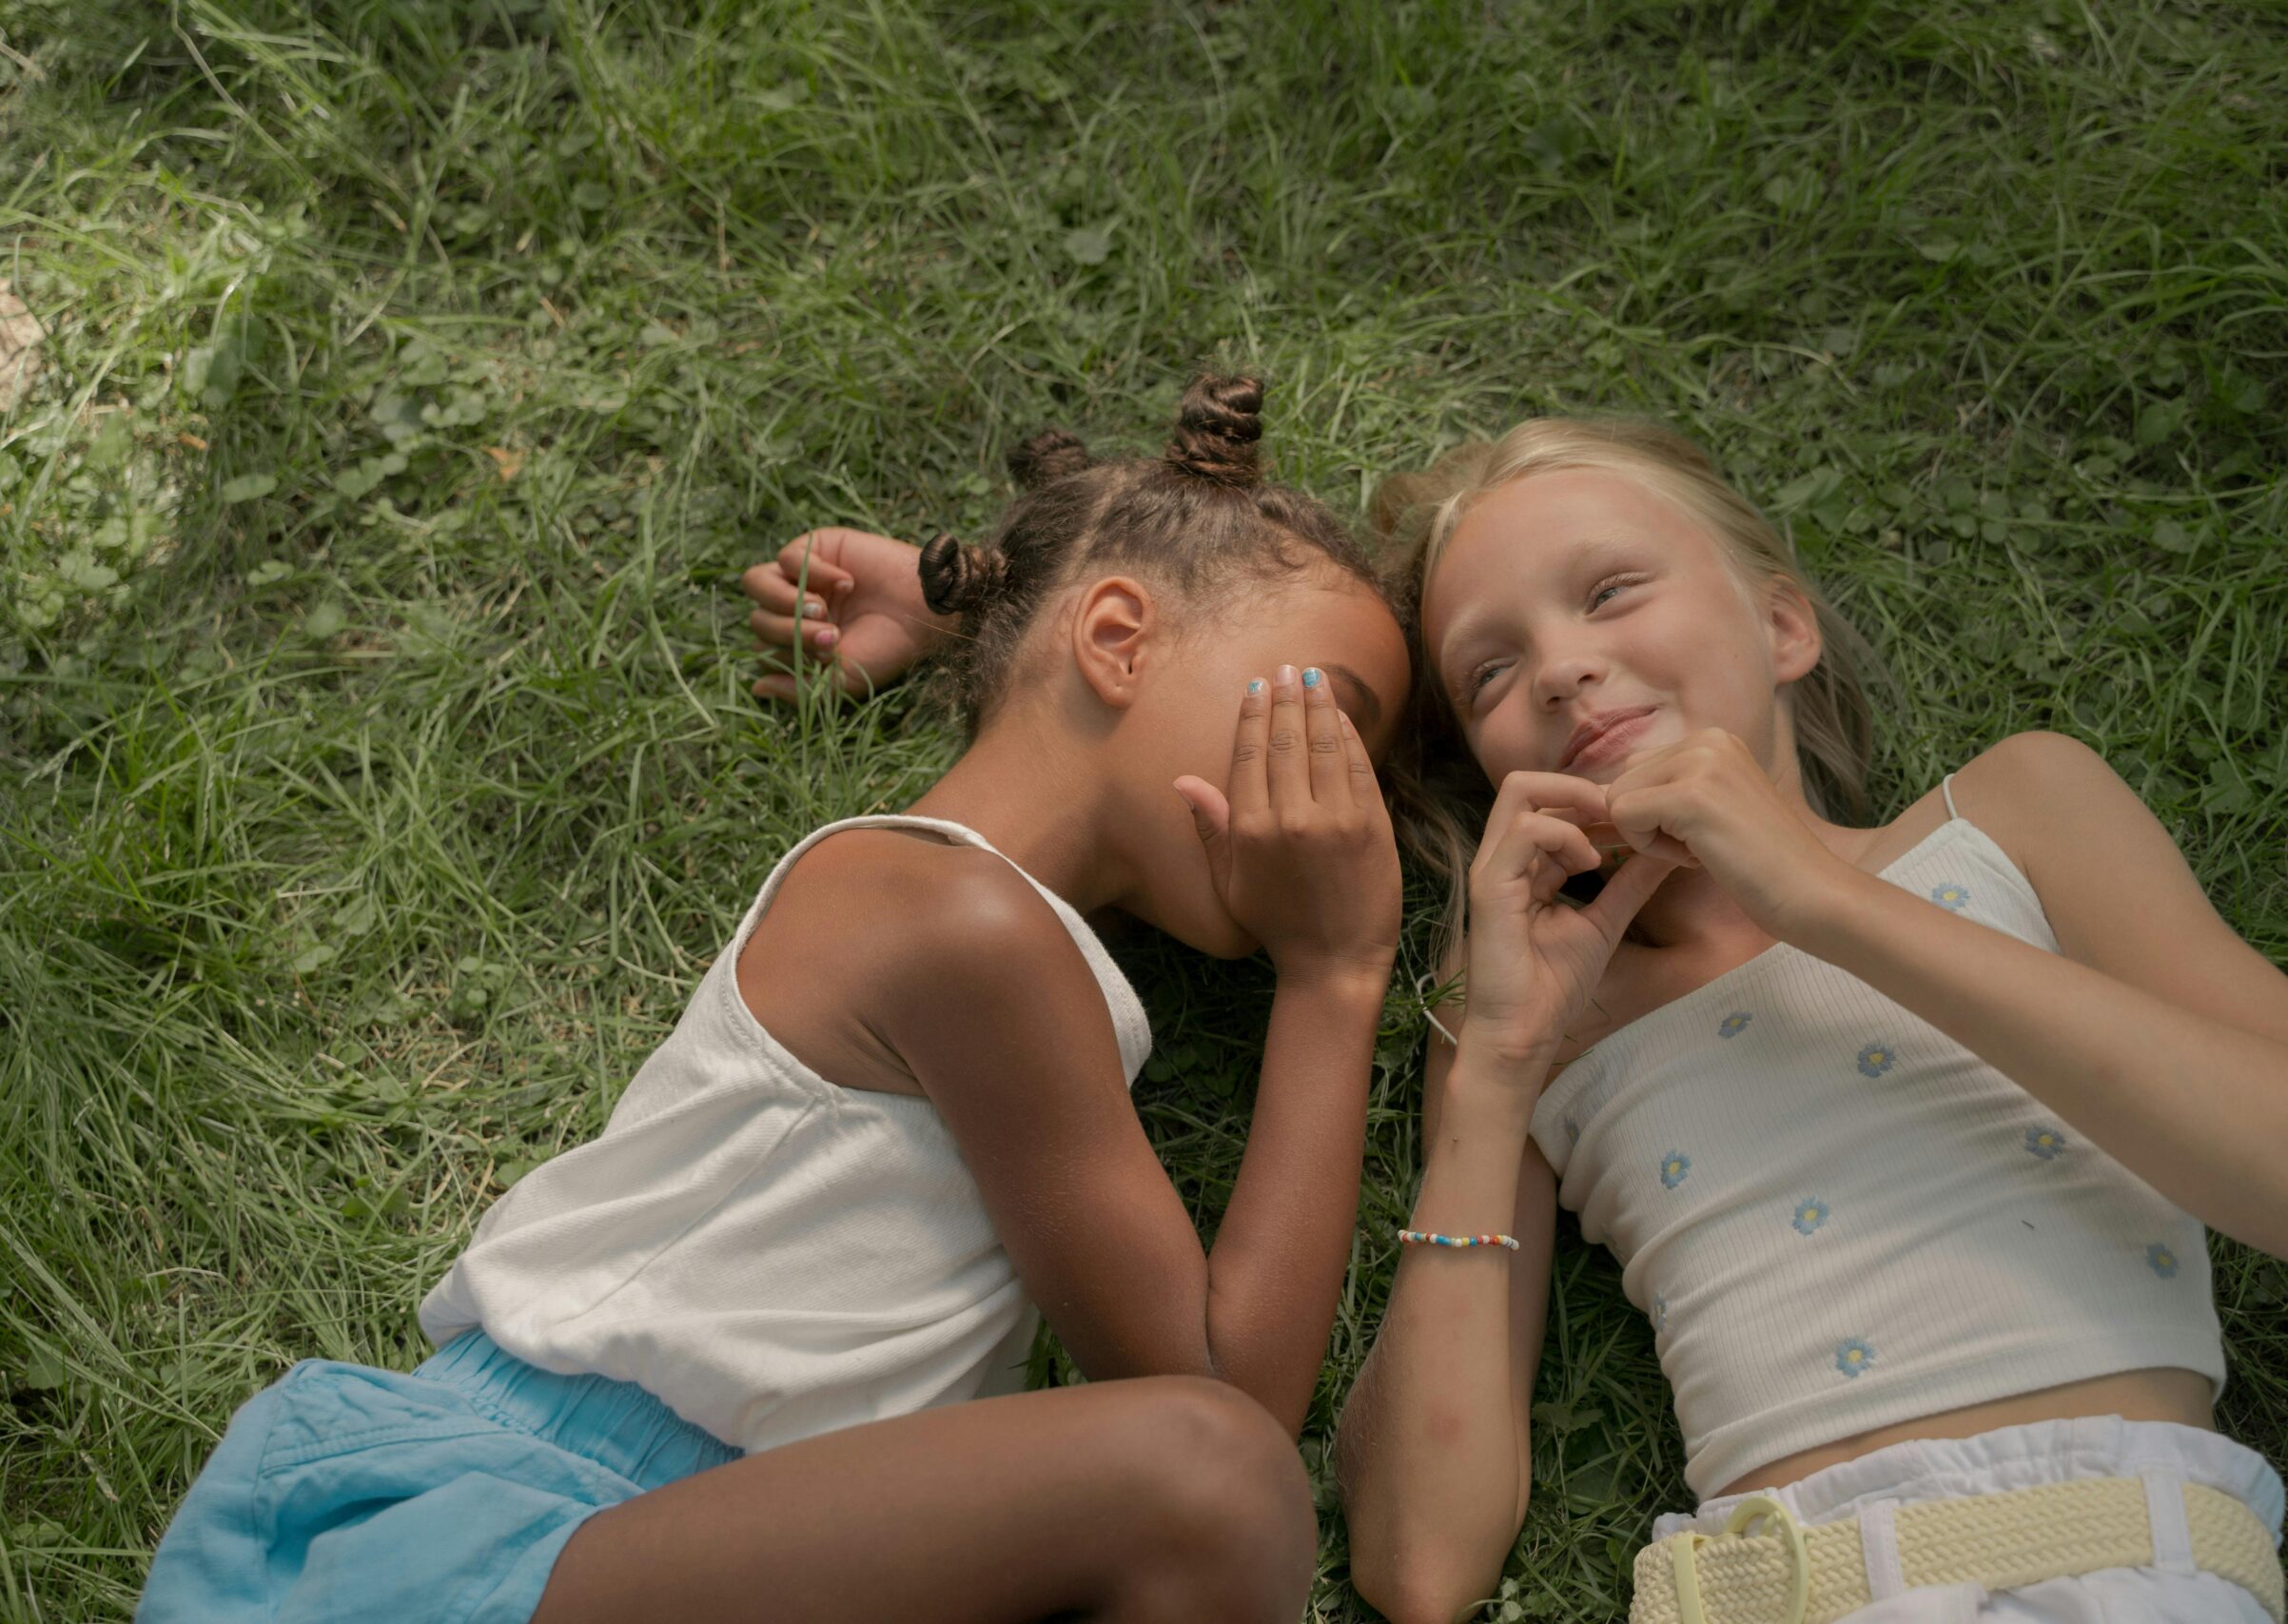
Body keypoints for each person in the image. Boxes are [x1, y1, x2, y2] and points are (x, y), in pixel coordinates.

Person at [136, 377, 1414, 1624]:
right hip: (511, 1528)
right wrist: (1337, 969)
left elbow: (1070, 733)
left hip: (708, 1543)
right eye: (1329, 723)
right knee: (1207, 1474)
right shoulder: (964, 929)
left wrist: (966, 621)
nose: (1348, 806)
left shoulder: (965, 919)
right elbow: (1224, 1396)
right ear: (1117, 637)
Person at [1328, 417, 2288, 1623]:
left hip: (2119, 1562)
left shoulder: (2011, 815)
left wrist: (1822, 902)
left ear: (1782, 625)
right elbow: (1419, 1568)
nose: (1556, 668)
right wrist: (1493, 1070)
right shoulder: (1533, 1021)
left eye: (1608, 591)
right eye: (1489, 671)